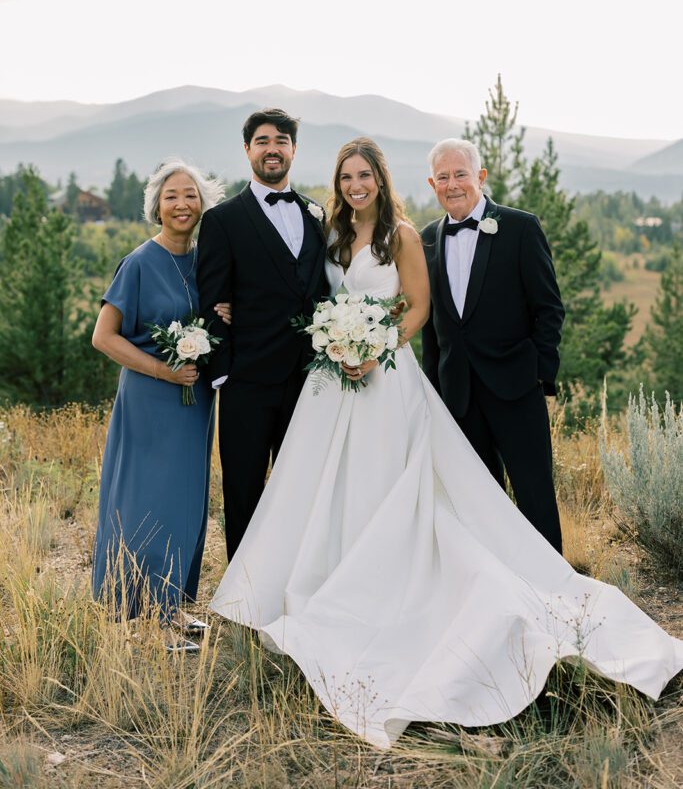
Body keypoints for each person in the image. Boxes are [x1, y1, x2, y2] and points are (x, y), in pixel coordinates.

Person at [210, 136, 683, 749]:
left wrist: (375, 348)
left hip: (388, 376)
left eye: (365, 175)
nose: (356, 185)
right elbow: (303, 292)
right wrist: (241, 310)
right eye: (346, 177)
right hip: (333, 383)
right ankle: (332, 585)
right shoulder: (329, 234)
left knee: (409, 484)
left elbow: (417, 309)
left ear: (381, 179)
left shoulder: (405, 236)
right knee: (330, 486)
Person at [92, 159, 226, 650]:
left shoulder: (207, 261)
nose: (181, 204)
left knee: (186, 501)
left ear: (202, 203)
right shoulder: (139, 262)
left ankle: (173, 605)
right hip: (150, 400)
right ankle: (149, 615)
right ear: (156, 206)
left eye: (190, 195)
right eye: (171, 196)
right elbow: (103, 337)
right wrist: (162, 370)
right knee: (148, 500)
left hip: (195, 402)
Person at [197, 108, 328, 561]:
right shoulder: (222, 220)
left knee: (302, 490)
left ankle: (293, 581)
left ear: (294, 149)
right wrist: (223, 373)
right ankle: (243, 588)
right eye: (263, 141)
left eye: (281, 141)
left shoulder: (316, 213)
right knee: (244, 491)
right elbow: (212, 300)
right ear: (247, 149)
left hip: (310, 381)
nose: (273, 149)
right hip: (247, 382)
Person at [421, 138, 564, 552]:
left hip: (516, 387)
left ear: (480, 177)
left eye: (460, 174)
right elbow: (432, 326)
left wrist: (539, 375)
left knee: (535, 497)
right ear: (432, 184)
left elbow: (549, 309)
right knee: (478, 504)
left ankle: (551, 585)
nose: (452, 184)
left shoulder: (521, 227)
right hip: (458, 397)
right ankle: (498, 584)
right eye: (443, 177)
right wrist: (433, 391)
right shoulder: (427, 239)